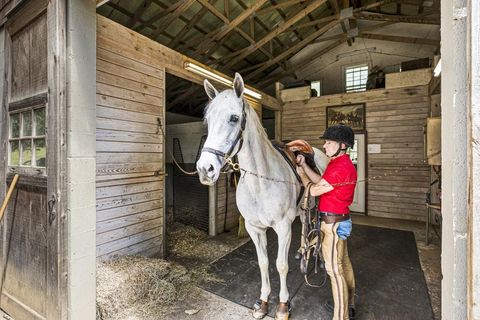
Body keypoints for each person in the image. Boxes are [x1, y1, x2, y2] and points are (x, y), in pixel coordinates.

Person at [296, 123, 357, 320]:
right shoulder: (338, 164)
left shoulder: (341, 168)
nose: (324, 146)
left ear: (342, 145)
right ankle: (349, 303)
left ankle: (342, 316)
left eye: (329, 142)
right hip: (340, 220)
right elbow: (321, 181)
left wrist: (302, 176)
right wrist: (305, 166)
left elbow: (313, 190)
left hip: (332, 225)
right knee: (344, 264)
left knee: (334, 271)